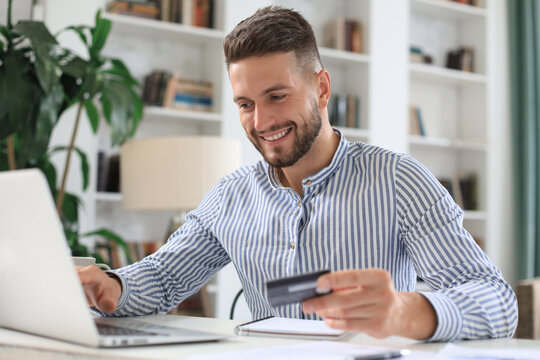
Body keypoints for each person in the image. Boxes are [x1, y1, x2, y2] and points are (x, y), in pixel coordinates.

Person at [78, 6, 518, 341]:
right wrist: (111, 285)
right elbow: (164, 277)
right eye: (246, 104)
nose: (261, 121)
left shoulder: (400, 180)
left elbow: (497, 302)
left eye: (277, 96)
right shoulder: (231, 195)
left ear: (322, 88)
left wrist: (404, 311)